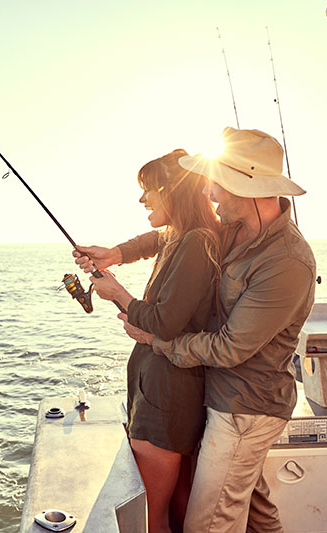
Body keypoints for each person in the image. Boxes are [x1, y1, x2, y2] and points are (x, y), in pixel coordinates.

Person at [120, 127, 316, 533]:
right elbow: (172, 234)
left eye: (218, 186)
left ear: (247, 189)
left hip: (244, 408)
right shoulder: (232, 227)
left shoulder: (287, 262)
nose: (210, 194)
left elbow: (230, 348)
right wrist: (121, 253)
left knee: (211, 523)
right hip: (217, 395)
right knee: (255, 511)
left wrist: (160, 341)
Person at [73, 149, 223, 533]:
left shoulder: (196, 242)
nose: (142, 200)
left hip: (166, 397)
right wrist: (114, 255)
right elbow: (153, 239)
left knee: (150, 514)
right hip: (156, 390)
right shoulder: (180, 235)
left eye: (148, 191)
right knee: (172, 508)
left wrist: (118, 294)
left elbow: (165, 323)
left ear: (171, 191)